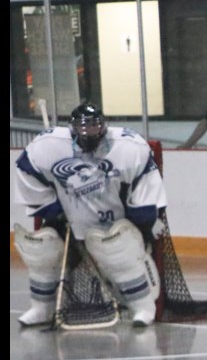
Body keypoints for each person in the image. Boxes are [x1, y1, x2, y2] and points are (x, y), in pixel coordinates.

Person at [12, 103, 165, 326]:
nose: (89, 133)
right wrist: (54, 211)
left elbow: (146, 184)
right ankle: (41, 308)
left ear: (104, 127)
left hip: (116, 223)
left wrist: (141, 225)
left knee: (119, 249)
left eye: (94, 127)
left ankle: (142, 307)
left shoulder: (128, 146)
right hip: (71, 220)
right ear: (72, 129)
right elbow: (26, 169)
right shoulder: (49, 145)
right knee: (41, 248)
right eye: (84, 128)